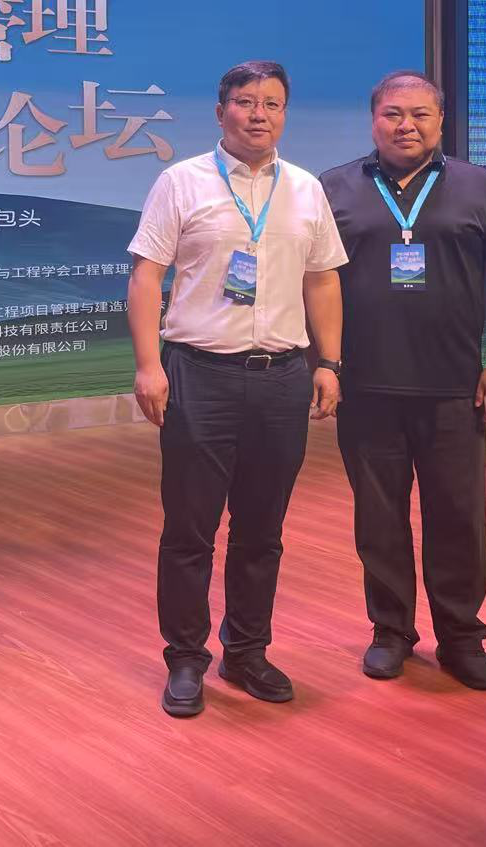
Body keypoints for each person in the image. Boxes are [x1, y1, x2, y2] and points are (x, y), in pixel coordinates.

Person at [127, 60, 347, 718]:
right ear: (221, 110)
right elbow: (146, 276)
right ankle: (185, 658)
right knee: (190, 529)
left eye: (273, 103)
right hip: (200, 374)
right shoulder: (181, 181)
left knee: (262, 530)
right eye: (247, 102)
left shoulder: (305, 188)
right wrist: (148, 366)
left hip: (282, 379)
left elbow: (323, 280)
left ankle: (247, 651)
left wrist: (330, 362)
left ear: (285, 114)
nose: (260, 114)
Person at [319, 70, 486, 690]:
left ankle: (462, 638)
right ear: (373, 120)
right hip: (366, 386)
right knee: (378, 519)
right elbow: (315, 282)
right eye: (392, 114)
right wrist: (326, 363)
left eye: (419, 114)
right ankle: (391, 632)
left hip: (454, 387)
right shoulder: (333, 189)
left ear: (440, 120)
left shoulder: (480, 187)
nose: (405, 125)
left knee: (458, 517)